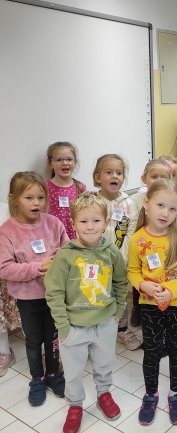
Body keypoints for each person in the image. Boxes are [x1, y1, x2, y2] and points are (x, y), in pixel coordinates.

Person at [44, 192, 127, 433]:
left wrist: (119, 310)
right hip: (74, 327)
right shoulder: (64, 256)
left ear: (106, 221)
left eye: (96, 221)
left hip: (105, 323)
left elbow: (121, 282)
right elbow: (54, 292)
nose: (90, 227)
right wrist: (63, 326)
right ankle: (75, 405)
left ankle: (104, 394)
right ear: (73, 223)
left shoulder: (112, 252)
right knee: (73, 371)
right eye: (83, 221)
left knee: (104, 364)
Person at [127, 179, 177, 426]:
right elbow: (133, 272)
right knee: (152, 349)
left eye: (172, 209)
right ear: (146, 203)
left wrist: (170, 290)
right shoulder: (138, 239)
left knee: (176, 347)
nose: (166, 213)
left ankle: (175, 393)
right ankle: (151, 394)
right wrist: (143, 285)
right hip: (149, 304)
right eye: (160, 205)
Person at [0, 172, 68, 406]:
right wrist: (37, 268)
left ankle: (53, 373)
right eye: (29, 198)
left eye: (41, 197)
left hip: (54, 296)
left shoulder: (54, 223)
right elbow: (5, 269)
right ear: (14, 199)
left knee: (53, 338)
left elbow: (67, 251)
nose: (37, 203)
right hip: (28, 299)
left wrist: (60, 262)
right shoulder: (7, 230)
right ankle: (37, 378)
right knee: (33, 340)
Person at [93, 154, 141, 351]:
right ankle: (97, 330)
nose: (115, 176)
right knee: (97, 294)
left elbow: (131, 232)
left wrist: (121, 260)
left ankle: (122, 329)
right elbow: (85, 230)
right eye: (109, 172)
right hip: (95, 261)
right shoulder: (91, 201)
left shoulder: (129, 204)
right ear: (97, 178)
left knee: (120, 295)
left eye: (119, 173)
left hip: (120, 260)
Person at [130, 158, 172, 327]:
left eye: (164, 177)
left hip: (163, 247)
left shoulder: (172, 198)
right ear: (144, 178)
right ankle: (138, 308)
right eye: (154, 177)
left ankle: (163, 307)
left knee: (161, 275)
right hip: (143, 247)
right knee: (140, 276)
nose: (159, 181)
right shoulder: (136, 199)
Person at [46, 141, 86, 239]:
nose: (65, 163)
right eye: (59, 160)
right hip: (53, 236)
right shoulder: (44, 188)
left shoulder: (80, 187)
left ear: (75, 162)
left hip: (75, 236)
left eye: (69, 159)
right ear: (51, 164)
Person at [0, 201, 21, 377]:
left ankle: (46, 351)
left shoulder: (5, 209)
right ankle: (4, 352)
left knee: (10, 312)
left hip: (7, 274)